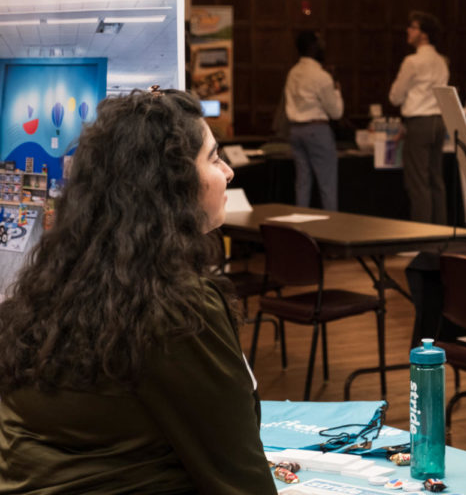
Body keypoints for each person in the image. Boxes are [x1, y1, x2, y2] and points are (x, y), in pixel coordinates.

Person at [0, 90, 277, 494]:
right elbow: (238, 476)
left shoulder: (51, 288)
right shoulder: (178, 308)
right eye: (214, 158)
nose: (229, 172)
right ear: (173, 182)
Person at [389, 11, 449, 224]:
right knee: (435, 179)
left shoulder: (412, 61)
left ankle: (421, 235)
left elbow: (395, 97)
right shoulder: (442, 61)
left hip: (419, 122)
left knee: (417, 181)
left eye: (413, 27)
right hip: (439, 121)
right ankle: (440, 231)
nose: (408, 31)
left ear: (423, 35)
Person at [284, 30, 344, 210]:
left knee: (303, 182)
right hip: (316, 130)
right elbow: (336, 113)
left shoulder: (292, 72)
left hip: (295, 130)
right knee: (327, 184)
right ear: (313, 47)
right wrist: (337, 89)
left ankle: (300, 227)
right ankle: (331, 228)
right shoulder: (321, 76)